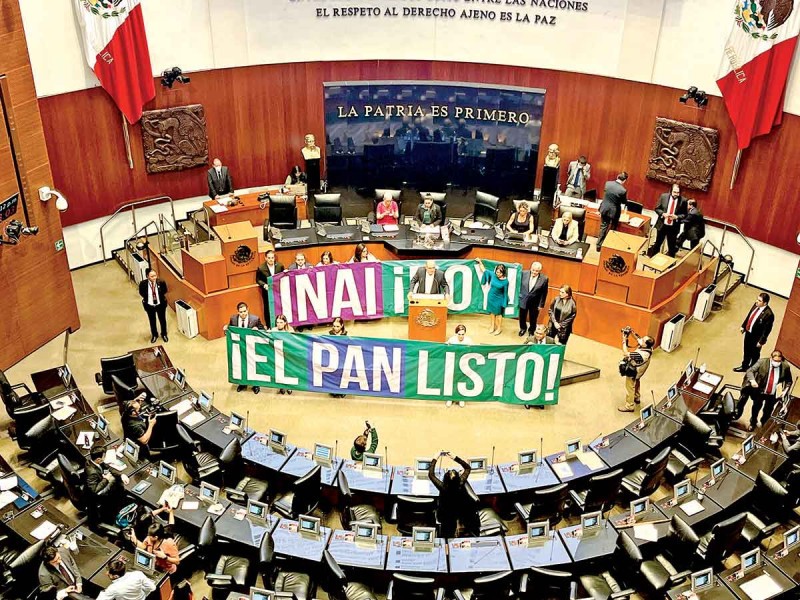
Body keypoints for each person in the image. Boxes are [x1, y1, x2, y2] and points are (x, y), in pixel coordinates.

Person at [738, 350, 792, 431]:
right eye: (775, 361)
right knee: (756, 407)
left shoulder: (785, 367)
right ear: (771, 358)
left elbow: (789, 381)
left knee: (768, 411)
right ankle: (753, 422)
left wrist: (785, 391)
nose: (777, 363)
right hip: (760, 391)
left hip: (773, 393)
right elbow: (750, 371)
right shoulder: (762, 362)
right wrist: (752, 380)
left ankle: (764, 424)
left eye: (779, 361)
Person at [428, 452, 477, 538]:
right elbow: (468, 468)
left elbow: (431, 474)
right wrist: (455, 458)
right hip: (457, 514)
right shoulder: (460, 483)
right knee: (451, 527)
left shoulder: (443, 487)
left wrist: (435, 457)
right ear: (458, 478)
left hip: (443, 516)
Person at [224, 302, 266, 394]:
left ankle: (255, 385)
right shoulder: (233, 319)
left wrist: (258, 330)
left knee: (253, 366)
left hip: (251, 347)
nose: (243, 313)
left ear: (248, 310)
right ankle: (242, 383)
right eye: (241, 312)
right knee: (241, 365)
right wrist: (226, 330)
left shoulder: (255, 319)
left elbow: (263, 331)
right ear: (238, 312)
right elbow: (229, 331)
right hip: (239, 348)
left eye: (244, 311)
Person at [84, 446, 129, 523]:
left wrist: (121, 475)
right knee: (119, 489)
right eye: (104, 456)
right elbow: (94, 490)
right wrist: (106, 479)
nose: (105, 458)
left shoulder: (94, 461)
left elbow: (108, 468)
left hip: (99, 483)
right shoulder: (92, 472)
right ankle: (112, 515)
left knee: (118, 484)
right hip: (95, 496)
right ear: (98, 459)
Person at [735, 293, 775, 372]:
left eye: (759, 300)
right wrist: (743, 326)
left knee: (755, 354)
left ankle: (753, 369)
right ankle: (744, 366)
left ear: (765, 303)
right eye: (757, 299)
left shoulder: (769, 314)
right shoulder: (756, 305)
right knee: (746, 351)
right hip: (748, 333)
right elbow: (749, 315)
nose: (756, 301)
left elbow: (767, 330)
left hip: (757, 338)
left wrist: (761, 341)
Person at [617, 329, 655, 412]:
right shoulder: (649, 347)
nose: (641, 340)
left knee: (630, 387)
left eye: (643, 340)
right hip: (640, 371)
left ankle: (629, 406)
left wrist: (624, 341)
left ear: (645, 344)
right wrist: (631, 332)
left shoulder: (641, 355)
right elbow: (638, 338)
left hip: (634, 372)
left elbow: (625, 353)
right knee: (637, 382)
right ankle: (636, 397)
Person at [648, 184, 687, 258]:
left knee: (671, 247)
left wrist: (677, 217)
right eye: (674, 192)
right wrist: (663, 214)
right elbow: (657, 208)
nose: (676, 194)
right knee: (657, 244)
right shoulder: (664, 197)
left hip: (673, 228)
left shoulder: (683, 201)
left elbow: (685, 214)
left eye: (678, 193)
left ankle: (671, 263)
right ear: (671, 191)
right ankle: (652, 259)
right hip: (662, 225)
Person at [475, 258, 509, 336]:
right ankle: (492, 326)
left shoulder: (505, 281)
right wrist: (480, 262)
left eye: (499, 273)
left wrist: (504, 303)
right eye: (497, 272)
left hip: (499, 299)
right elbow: (484, 270)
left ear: (503, 273)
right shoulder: (493, 275)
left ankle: (499, 328)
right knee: (492, 312)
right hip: (491, 298)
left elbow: (505, 293)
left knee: (499, 314)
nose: (497, 274)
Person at [597, 172, 628, 251]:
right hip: (614, 211)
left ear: (617, 177)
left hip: (604, 208)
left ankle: (598, 245)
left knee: (603, 226)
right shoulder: (623, 190)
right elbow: (624, 201)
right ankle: (608, 245)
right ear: (624, 180)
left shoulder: (608, 183)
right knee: (612, 228)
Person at [518, 262, 548, 337]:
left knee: (533, 318)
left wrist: (541, 305)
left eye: (536, 271)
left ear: (539, 271)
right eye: (533, 270)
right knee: (522, 316)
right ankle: (523, 328)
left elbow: (544, 293)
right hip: (523, 299)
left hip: (535, 303)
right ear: (531, 268)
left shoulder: (544, 279)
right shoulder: (523, 273)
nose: (534, 272)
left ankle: (531, 330)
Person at [138, 268, 168, 344]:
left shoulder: (161, 282)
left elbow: (165, 291)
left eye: (155, 275)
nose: (154, 277)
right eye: (152, 276)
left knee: (162, 320)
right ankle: (154, 335)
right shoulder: (143, 284)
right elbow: (141, 293)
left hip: (160, 304)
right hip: (150, 305)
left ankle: (164, 334)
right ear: (147, 276)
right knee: (152, 321)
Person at [256, 249, 285, 326]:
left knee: (279, 307)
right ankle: (269, 325)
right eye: (269, 258)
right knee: (268, 308)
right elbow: (258, 280)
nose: (271, 259)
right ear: (265, 258)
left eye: (272, 257)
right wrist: (264, 285)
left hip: (278, 291)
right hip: (267, 292)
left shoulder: (280, 266)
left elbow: (283, 276)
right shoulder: (261, 268)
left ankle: (281, 324)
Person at [272, 314, 295, 395]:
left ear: (285, 323)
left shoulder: (290, 330)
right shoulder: (273, 330)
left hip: (287, 354)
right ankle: (281, 386)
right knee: (279, 370)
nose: (279, 324)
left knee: (288, 370)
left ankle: (289, 387)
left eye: (281, 322)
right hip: (278, 354)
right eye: (277, 322)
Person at [328, 317, 347, 398]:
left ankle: (342, 391)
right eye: (334, 326)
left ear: (342, 325)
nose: (335, 328)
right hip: (332, 358)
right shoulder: (329, 334)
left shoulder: (346, 335)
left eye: (337, 326)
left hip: (342, 358)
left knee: (342, 375)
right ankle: (333, 390)